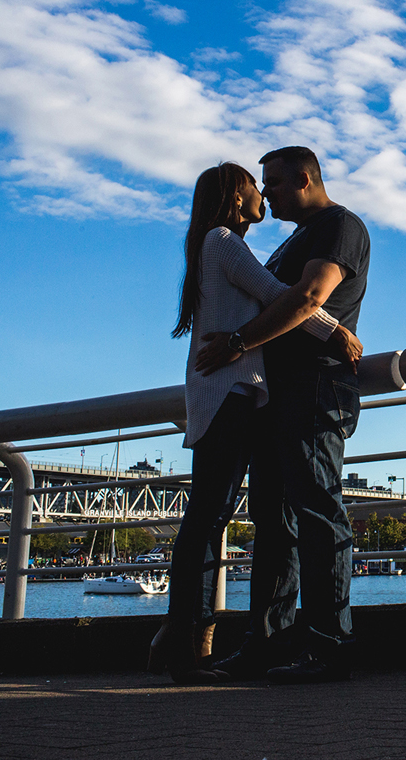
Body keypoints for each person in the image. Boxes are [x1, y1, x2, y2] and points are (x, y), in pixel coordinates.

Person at [149, 162, 362, 684]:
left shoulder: (327, 228)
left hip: (259, 395)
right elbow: (278, 296)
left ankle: (213, 643)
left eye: (272, 183)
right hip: (238, 395)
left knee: (247, 517)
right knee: (217, 518)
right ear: (234, 198)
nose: (264, 193)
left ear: (304, 179)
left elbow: (297, 295)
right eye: (255, 185)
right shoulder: (227, 242)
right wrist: (335, 331)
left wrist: (256, 339)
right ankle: (192, 645)